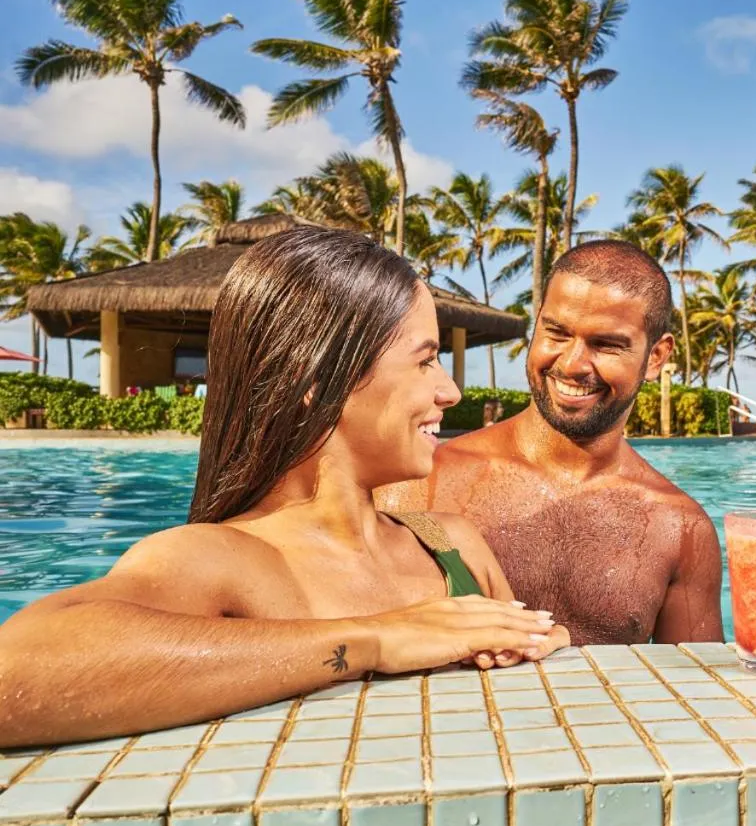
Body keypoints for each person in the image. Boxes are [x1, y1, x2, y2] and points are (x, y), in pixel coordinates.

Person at [0, 227, 567, 749]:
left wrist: (539, 646)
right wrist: (374, 640)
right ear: (317, 381)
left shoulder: (453, 547)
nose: (449, 391)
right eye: (425, 361)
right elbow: (16, 670)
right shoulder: (219, 559)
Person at [379, 240, 724, 646]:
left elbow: (693, 688)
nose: (572, 364)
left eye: (605, 344)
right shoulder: (420, 482)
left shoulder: (680, 529)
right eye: (556, 333)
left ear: (656, 356)